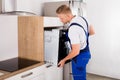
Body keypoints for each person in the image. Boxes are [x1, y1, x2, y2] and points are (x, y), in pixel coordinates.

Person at [56, 5, 95, 80]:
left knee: (78, 78)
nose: (60, 20)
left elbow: (75, 51)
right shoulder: (84, 19)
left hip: (79, 56)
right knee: (81, 76)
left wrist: (64, 60)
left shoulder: (73, 29)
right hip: (86, 53)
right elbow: (92, 32)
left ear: (68, 15)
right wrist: (81, 38)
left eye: (61, 18)